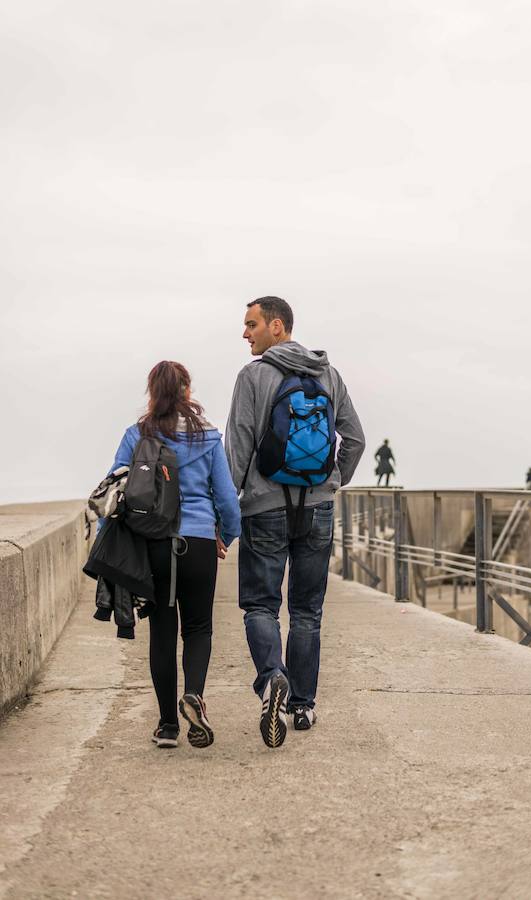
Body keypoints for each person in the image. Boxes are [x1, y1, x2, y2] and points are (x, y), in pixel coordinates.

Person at [225, 297, 365, 749]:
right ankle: (303, 705)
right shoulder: (329, 373)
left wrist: (226, 513)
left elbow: (238, 449)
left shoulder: (253, 376)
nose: (245, 334)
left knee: (261, 606)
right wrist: (332, 481)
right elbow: (355, 439)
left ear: (277, 327)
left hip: (263, 508)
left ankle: (271, 679)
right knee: (307, 610)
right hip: (318, 507)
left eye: (252, 324)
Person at [106, 361, 240, 749]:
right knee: (198, 627)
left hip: (155, 545)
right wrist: (225, 537)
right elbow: (228, 501)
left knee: (162, 630)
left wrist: (110, 545)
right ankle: (194, 696)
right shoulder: (209, 438)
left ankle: (167, 726)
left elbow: (115, 492)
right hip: (198, 542)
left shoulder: (136, 436)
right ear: (186, 390)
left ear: (153, 391)